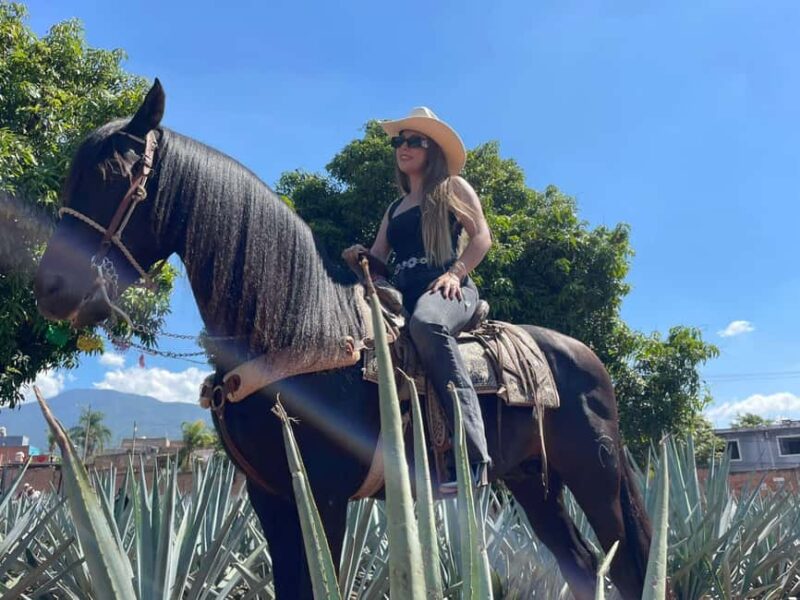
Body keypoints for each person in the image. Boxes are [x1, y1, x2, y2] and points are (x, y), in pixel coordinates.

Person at [343, 107, 492, 490]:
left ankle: (473, 455)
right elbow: (378, 259)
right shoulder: (394, 209)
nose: (403, 147)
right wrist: (362, 260)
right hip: (403, 294)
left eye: (414, 141)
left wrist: (455, 273)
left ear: (432, 150)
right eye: (399, 141)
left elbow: (481, 238)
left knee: (426, 323)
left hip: (447, 290)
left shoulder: (453, 188)